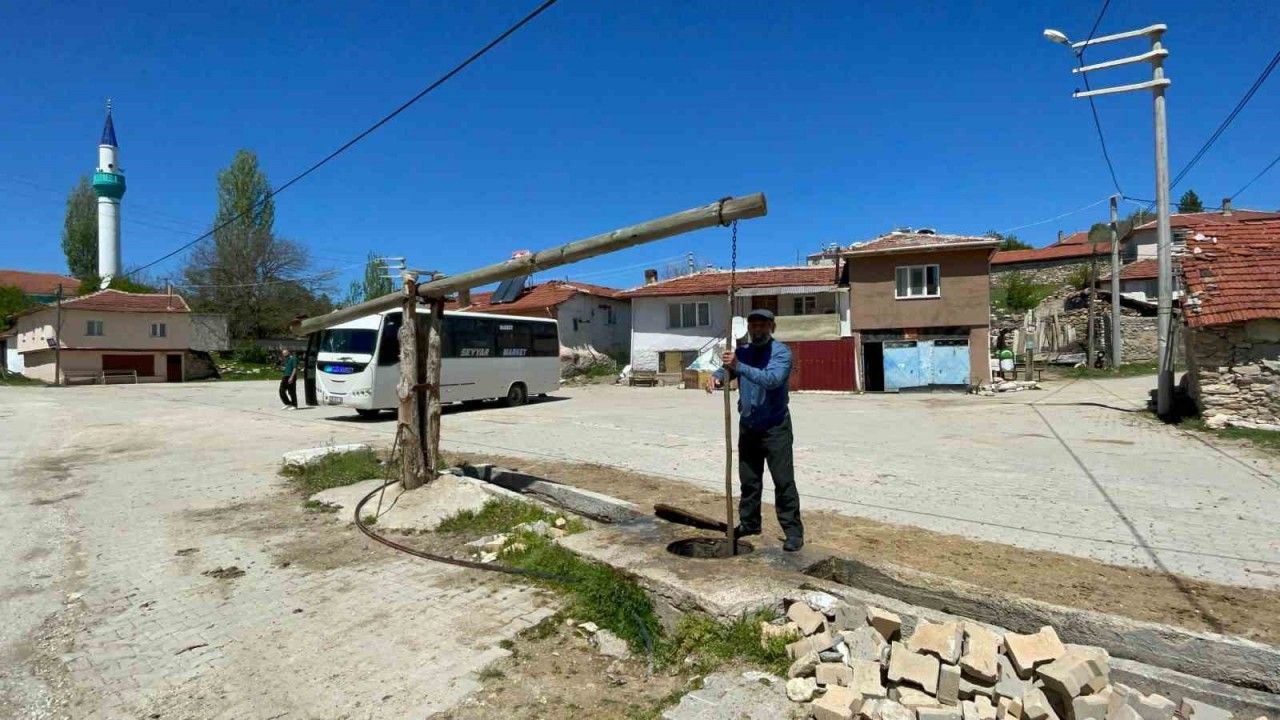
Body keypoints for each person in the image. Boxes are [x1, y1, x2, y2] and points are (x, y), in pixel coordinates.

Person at [705, 308, 804, 551]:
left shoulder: (781, 352)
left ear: (772, 327)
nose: (757, 329)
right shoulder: (743, 351)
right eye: (753, 325)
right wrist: (717, 377)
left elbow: (772, 380)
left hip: (775, 427)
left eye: (763, 325)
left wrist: (739, 366)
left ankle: (793, 532)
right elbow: (728, 370)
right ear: (748, 328)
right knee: (749, 480)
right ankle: (750, 523)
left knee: (783, 481)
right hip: (748, 426)